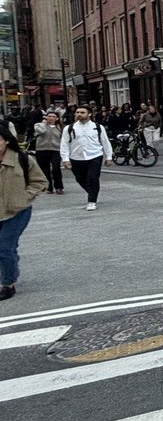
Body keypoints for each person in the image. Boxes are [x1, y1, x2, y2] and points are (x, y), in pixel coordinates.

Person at [0, 119, 48, 300]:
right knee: (7, 249)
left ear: (6, 140)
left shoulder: (23, 159)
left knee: (4, 247)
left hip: (17, 211)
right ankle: (10, 263)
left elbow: (40, 182)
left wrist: (24, 196)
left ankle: (8, 283)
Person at [59, 105, 113, 211]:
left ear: (89, 114)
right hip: (76, 157)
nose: (79, 114)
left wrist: (109, 156)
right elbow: (64, 144)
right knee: (80, 178)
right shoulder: (69, 128)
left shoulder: (98, 127)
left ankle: (92, 201)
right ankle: (93, 192)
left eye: (82, 112)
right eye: (77, 112)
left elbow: (105, 142)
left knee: (93, 178)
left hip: (94, 156)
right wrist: (65, 159)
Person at [32, 111, 65, 195]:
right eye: (49, 116)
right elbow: (42, 131)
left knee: (56, 168)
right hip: (42, 149)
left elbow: (63, 139)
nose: (51, 118)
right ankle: (48, 187)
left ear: (57, 118)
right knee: (44, 169)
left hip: (56, 150)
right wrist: (44, 124)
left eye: (53, 116)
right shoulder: (38, 125)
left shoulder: (59, 127)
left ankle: (59, 187)